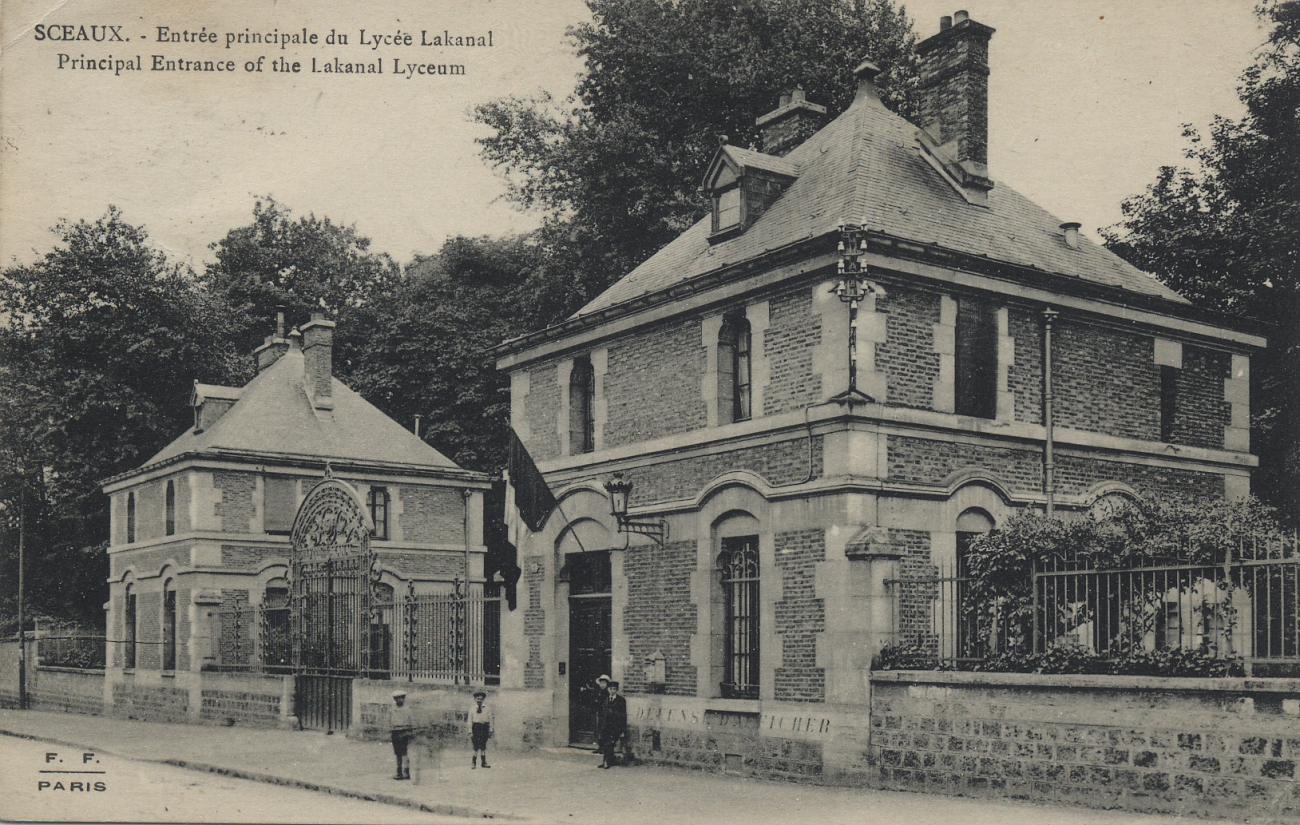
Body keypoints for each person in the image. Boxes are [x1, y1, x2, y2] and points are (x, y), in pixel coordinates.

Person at [598, 681, 627, 768]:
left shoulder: (621, 700)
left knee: (610, 743)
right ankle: (605, 761)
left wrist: (622, 729)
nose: (612, 691)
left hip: (615, 726)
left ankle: (607, 761)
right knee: (605, 743)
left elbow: (623, 715)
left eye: (614, 689)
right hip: (606, 726)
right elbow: (602, 713)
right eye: (611, 689)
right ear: (608, 689)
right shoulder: (606, 700)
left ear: (617, 690)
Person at [390, 690, 414, 780]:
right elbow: (390, 720)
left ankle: (405, 772)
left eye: (402, 698)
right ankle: (400, 772)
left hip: (404, 731)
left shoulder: (407, 709)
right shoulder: (392, 709)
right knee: (398, 753)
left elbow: (411, 721)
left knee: (403, 753)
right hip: (395, 731)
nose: (400, 700)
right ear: (395, 699)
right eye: (397, 698)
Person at [468, 689, 494, 768]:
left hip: (484, 727)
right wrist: (470, 731)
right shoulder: (472, 709)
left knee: (483, 746)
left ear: (483, 699)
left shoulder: (487, 708)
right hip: (476, 727)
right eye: (478, 699)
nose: (479, 700)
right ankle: (473, 763)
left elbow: (490, 720)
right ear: (475, 699)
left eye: (481, 699)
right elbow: (469, 720)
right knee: (475, 746)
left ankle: (484, 763)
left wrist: (491, 730)